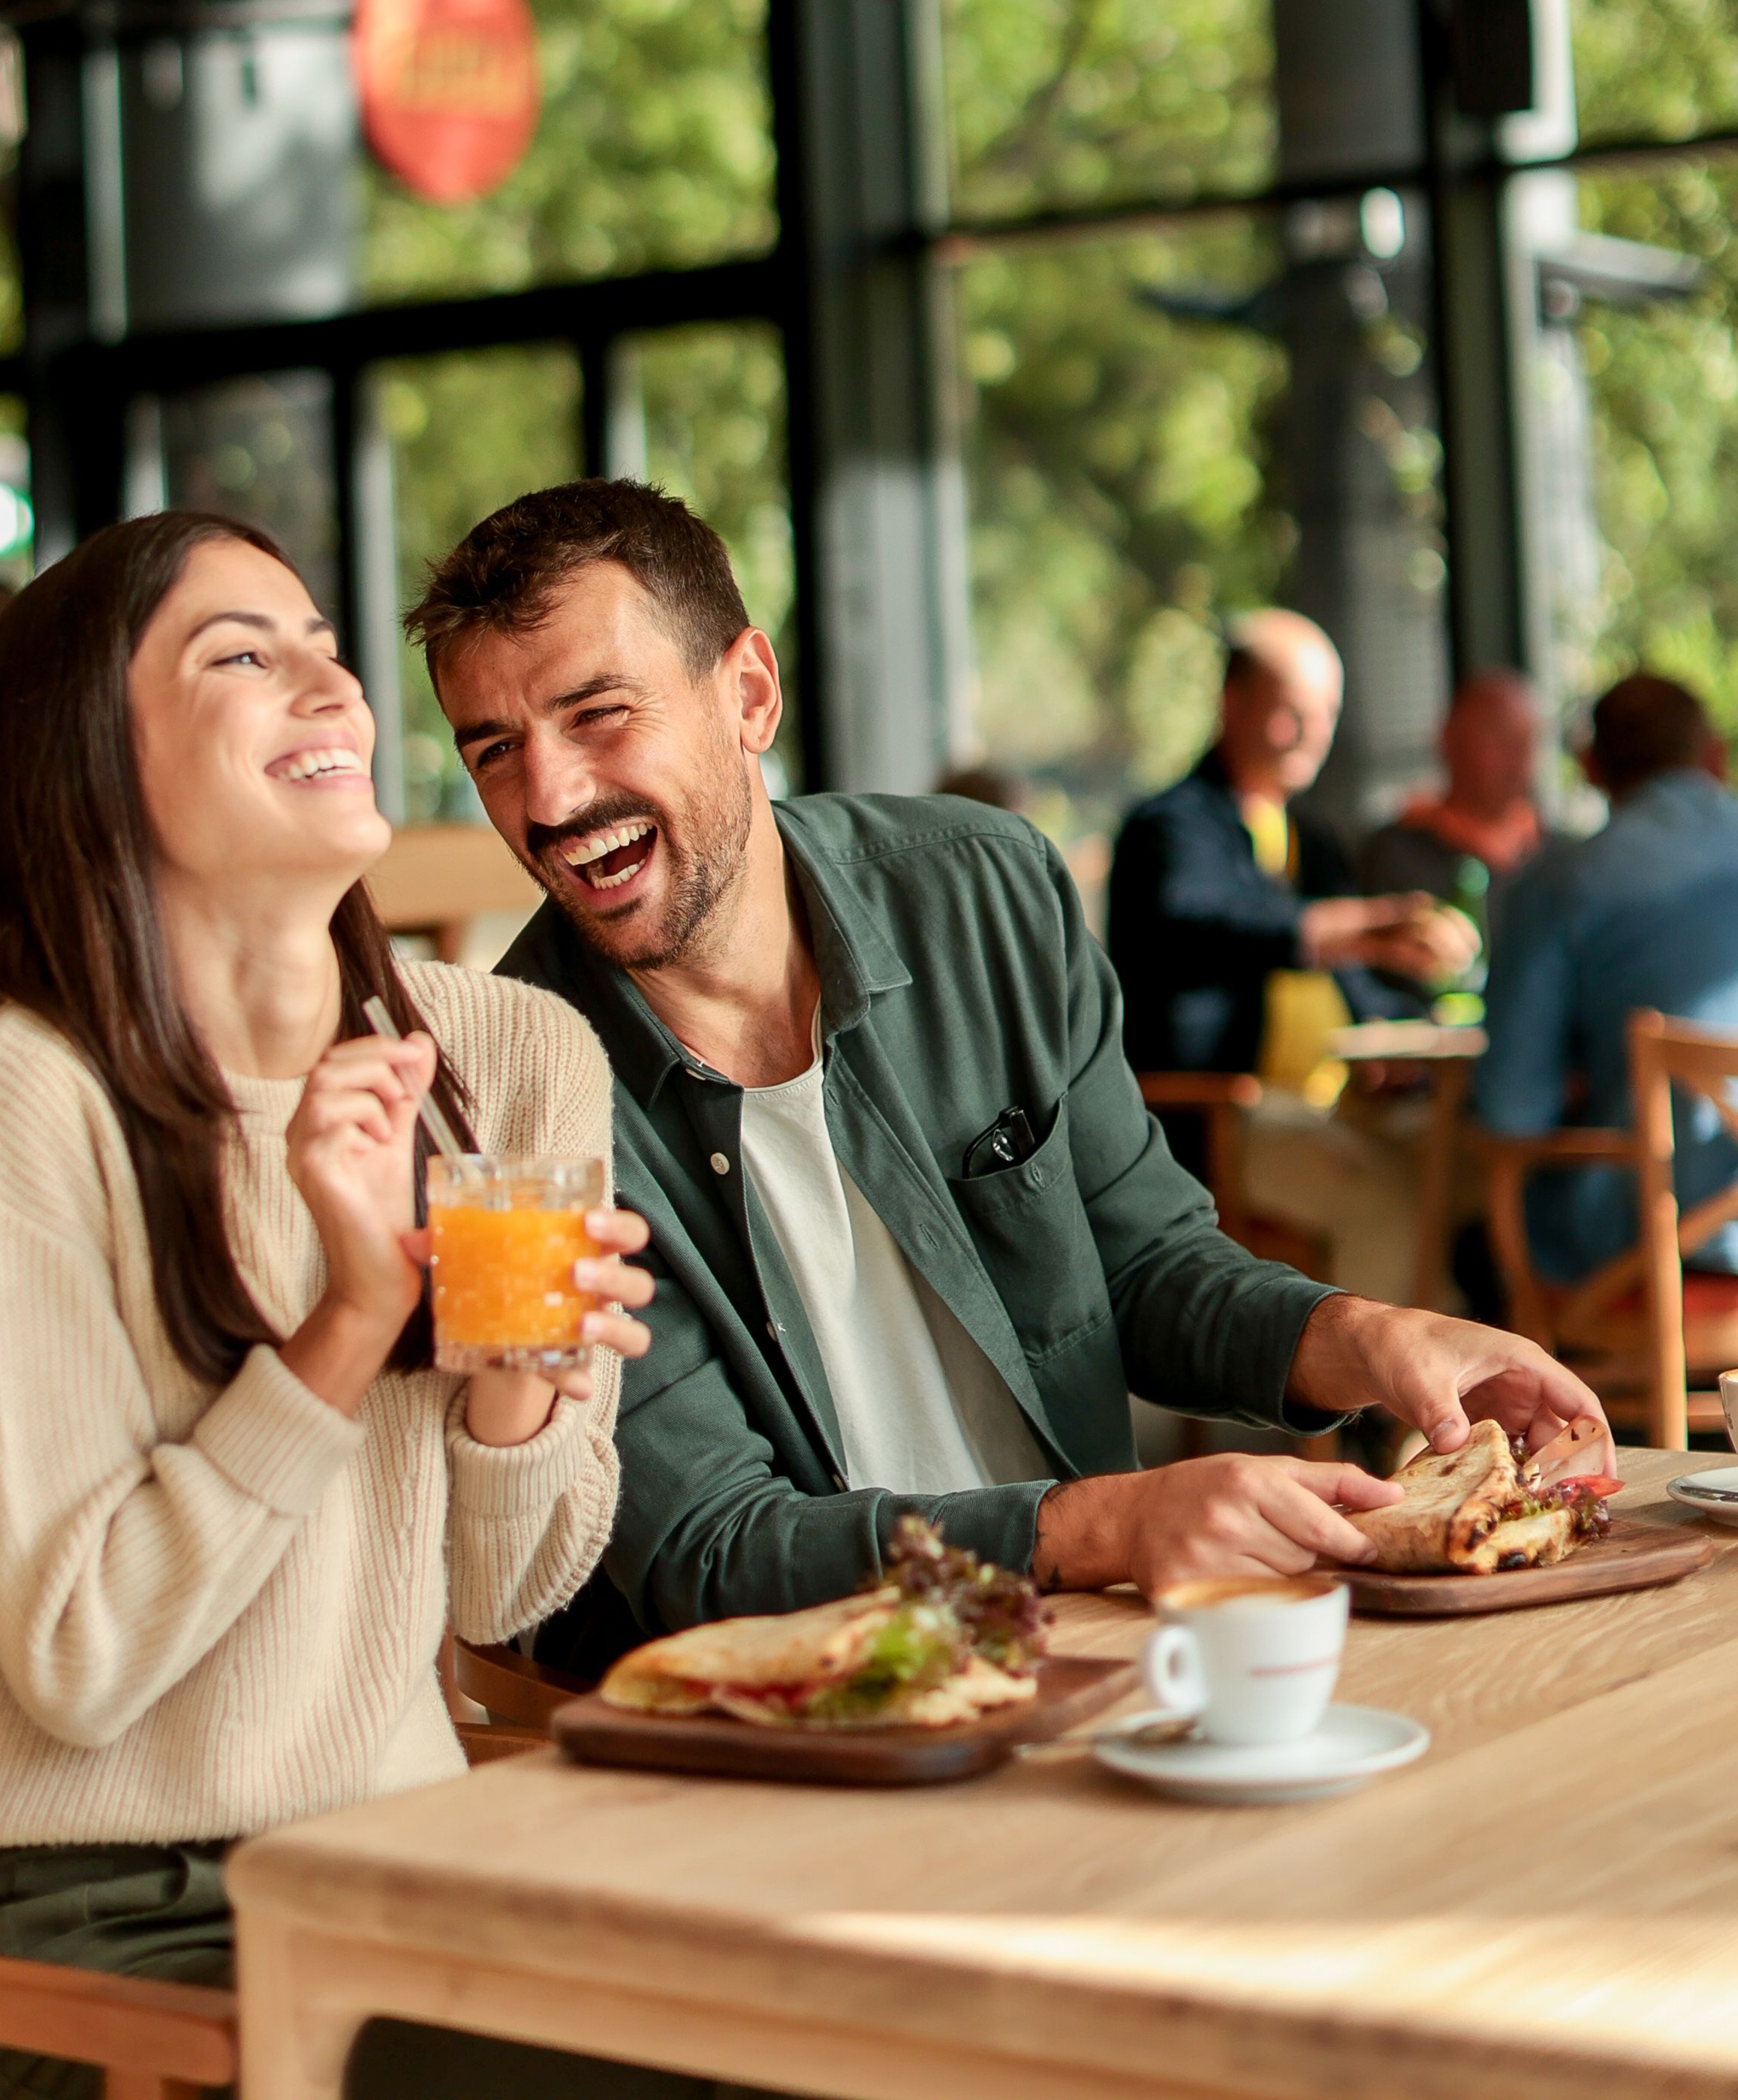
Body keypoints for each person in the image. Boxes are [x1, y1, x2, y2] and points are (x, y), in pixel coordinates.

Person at [405, 480, 1603, 1668]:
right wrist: (1109, 1525)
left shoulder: (984, 893)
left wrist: (1375, 1339)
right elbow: (709, 1551)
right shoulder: (501, 1094)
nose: (548, 797)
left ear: (751, 694)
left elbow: (1143, 1268)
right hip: (807, 1708)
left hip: (1094, 1653)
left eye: (599, 714)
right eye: (496, 749)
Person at [0, 512, 660, 2100]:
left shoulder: (506, 1063)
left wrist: (516, 1384)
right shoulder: (38, 1096)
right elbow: (78, 1661)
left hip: (397, 1875)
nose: (333, 688)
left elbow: (502, 1588)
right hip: (106, 1927)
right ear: (93, 762)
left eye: (323, 643)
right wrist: (349, 1320)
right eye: (242, 656)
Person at [1107, 611, 1479, 1092]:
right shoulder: (1171, 826)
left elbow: (1352, 985)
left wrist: (1411, 1033)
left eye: (1328, 713)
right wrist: (1366, 928)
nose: (1314, 732)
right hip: (1221, 1110)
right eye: (1292, 713)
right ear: (1232, 703)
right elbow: (1208, 926)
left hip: (1334, 1102)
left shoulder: (1312, 836)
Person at [1477, 670, 1738, 1282]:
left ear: (1590, 767)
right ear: (1715, 755)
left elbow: (1511, 1110)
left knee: (1475, 1240)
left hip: (1642, 1254)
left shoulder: (1561, 884)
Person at [1357, 669, 1546, 908]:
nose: (1518, 757)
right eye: (1500, 737)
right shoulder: (1394, 857)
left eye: (1529, 740)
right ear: (1449, 741)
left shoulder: (1557, 854)